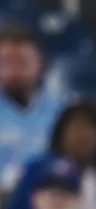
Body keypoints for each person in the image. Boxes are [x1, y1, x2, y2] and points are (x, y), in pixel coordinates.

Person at [0, 23, 68, 197]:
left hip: (51, 203)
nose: (13, 71)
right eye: (6, 62)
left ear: (40, 64)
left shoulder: (64, 110)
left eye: (22, 62)